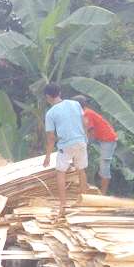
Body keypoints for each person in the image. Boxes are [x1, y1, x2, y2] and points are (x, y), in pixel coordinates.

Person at [42, 84, 89, 215]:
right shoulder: (75, 104)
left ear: (47, 97)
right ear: (59, 92)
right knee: (81, 170)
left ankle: (63, 205)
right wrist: (85, 137)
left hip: (66, 145)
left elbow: (51, 138)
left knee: (60, 172)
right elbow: (84, 122)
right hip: (81, 141)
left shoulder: (50, 113)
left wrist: (47, 156)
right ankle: (85, 201)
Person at [73, 95, 118, 195]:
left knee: (104, 165)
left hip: (107, 140)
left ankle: (103, 193)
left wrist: (86, 144)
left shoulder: (86, 114)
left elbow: (91, 131)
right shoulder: (83, 113)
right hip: (102, 138)